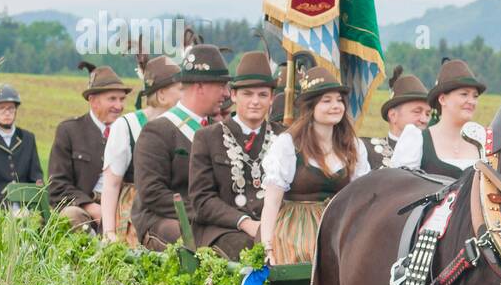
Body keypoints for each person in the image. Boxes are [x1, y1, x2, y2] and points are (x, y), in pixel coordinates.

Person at [259, 64, 369, 264]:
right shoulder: (288, 145)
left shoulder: (352, 145)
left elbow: (360, 198)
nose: (335, 106)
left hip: (337, 225)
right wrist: (267, 247)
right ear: (310, 108)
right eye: (326, 101)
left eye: (339, 100)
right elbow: (272, 202)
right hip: (297, 232)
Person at [130, 45, 230, 251]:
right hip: (162, 220)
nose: (226, 93)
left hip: (207, 218)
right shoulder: (157, 131)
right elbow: (152, 193)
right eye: (221, 86)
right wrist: (207, 212)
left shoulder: (219, 131)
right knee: (193, 240)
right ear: (200, 86)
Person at [187, 51, 281, 258]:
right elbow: (201, 200)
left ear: (272, 98)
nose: (255, 101)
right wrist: (245, 223)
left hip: (275, 226)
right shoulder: (207, 137)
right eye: (248, 94)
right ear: (233, 95)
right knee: (249, 250)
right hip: (223, 230)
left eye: (263, 94)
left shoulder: (284, 137)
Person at [101, 55, 182, 244]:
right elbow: (111, 184)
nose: (187, 94)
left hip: (176, 207)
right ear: (161, 95)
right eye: (181, 89)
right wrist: (109, 232)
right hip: (135, 214)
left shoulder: (187, 124)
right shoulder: (127, 126)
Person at [47, 62, 132, 231]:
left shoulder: (130, 131)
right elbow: (58, 185)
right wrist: (91, 208)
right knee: (71, 215)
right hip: (82, 208)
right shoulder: (70, 131)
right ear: (93, 101)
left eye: (121, 99)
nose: (119, 106)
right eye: (112, 99)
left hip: (121, 206)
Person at [389, 57, 486, 177]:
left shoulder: (482, 143)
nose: (471, 101)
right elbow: (400, 190)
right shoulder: (417, 140)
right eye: (464, 94)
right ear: (442, 99)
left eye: (475, 96)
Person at [362, 65, 430, 169]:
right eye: (417, 111)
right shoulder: (367, 150)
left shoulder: (434, 153)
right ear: (393, 115)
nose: (424, 119)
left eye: (427, 114)